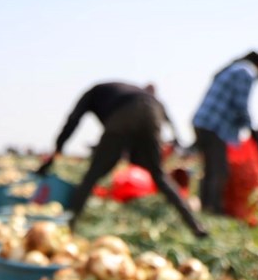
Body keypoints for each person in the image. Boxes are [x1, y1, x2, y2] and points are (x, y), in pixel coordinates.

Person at [36, 82, 209, 238]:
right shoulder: (127, 92)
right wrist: (176, 139)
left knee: (92, 175)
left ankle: (68, 226)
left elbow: (73, 121)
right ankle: (196, 225)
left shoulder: (93, 93)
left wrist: (57, 149)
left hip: (127, 112)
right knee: (159, 175)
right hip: (152, 111)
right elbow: (167, 120)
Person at [192, 51, 258, 215]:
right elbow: (240, 104)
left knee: (210, 169)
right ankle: (213, 209)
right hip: (214, 125)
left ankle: (206, 207)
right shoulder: (247, 71)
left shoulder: (236, 68)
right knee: (220, 170)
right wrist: (251, 129)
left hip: (203, 122)